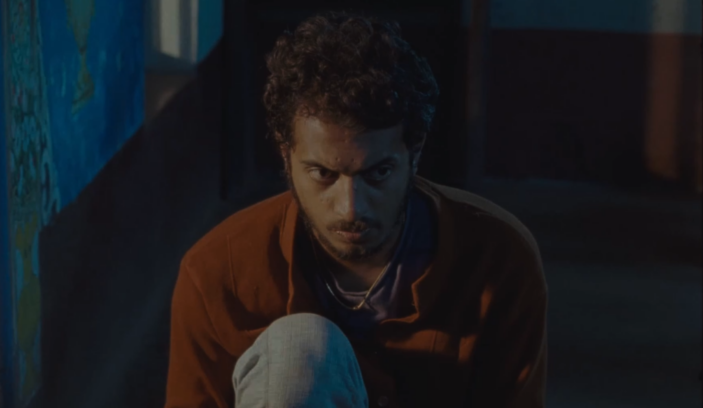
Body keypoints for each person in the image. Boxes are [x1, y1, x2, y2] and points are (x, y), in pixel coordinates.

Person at [165, 10, 547, 408]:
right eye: (323, 174)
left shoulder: (499, 258)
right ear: (286, 155)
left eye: (378, 173)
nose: (351, 208)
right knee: (298, 349)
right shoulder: (218, 271)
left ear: (414, 153)